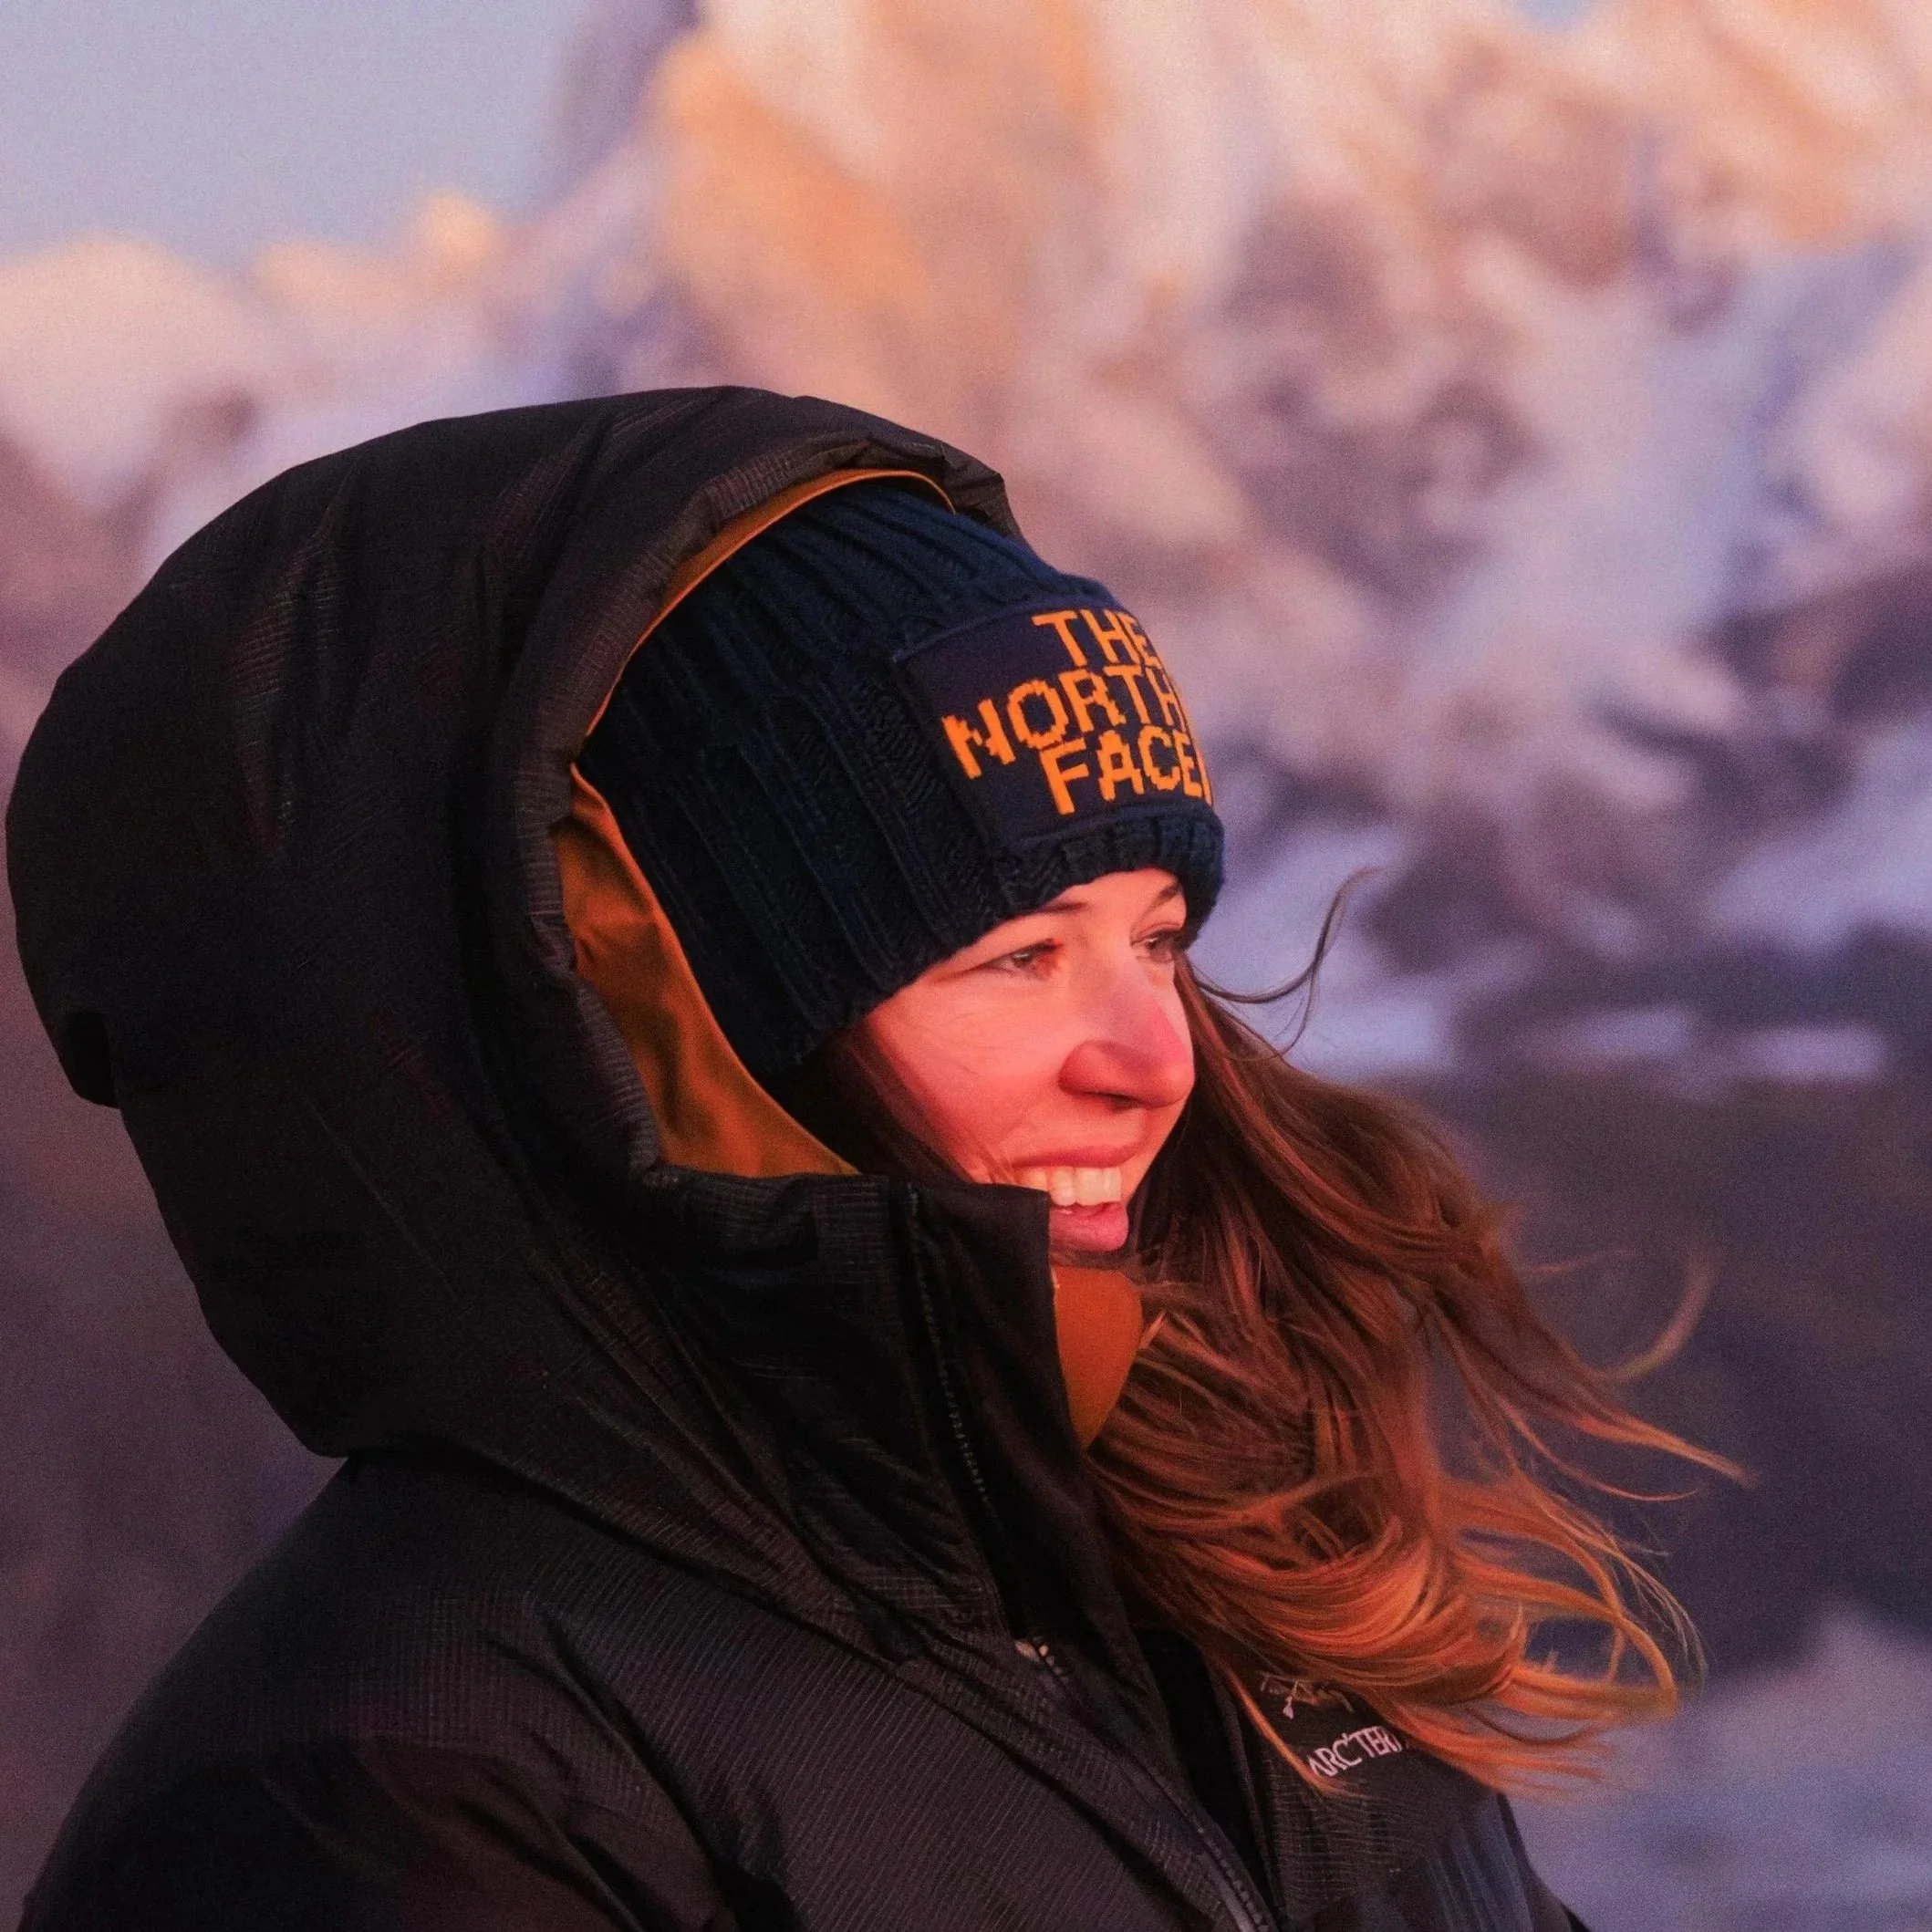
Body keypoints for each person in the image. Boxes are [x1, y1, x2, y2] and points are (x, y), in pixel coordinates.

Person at [7, 389, 1703, 1930]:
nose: (1155, 1063)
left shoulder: (1223, 1560)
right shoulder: (390, 1794)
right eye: (1021, 955)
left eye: (1158, 939)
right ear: (666, 1038)